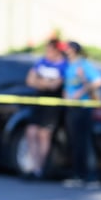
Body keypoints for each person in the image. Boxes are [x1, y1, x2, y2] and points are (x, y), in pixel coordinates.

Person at [61, 41, 101, 189]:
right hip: (72, 108)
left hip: (84, 107)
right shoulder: (68, 66)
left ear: (74, 50)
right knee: (75, 143)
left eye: (68, 49)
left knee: (85, 143)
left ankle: (91, 177)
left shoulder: (83, 65)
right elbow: (67, 86)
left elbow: (98, 81)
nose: (66, 51)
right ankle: (77, 175)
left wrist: (81, 90)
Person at [23, 38, 67, 180]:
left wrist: (40, 82)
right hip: (38, 102)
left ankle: (40, 168)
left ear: (56, 50)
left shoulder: (64, 65)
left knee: (44, 135)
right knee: (31, 132)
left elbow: (55, 86)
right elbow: (30, 80)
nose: (47, 52)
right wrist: (45, 83)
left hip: (52, 106)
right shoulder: (42, 61)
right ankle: (34, 166)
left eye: (49, 49)